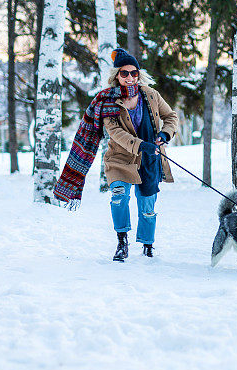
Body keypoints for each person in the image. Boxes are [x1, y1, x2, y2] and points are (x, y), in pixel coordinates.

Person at [53, 48, 178, 261]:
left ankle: (148, 246)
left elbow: (171, 116)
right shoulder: (107, 101)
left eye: (134, 73)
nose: (130, 77)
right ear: (116, 76)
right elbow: (115, 133)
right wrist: (140, 145)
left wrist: (165, 134)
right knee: (119, 196)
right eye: (124, 73)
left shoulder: (150, 94)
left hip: (150, 158)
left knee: (147, 207)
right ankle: (122, 241)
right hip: (120, 159)